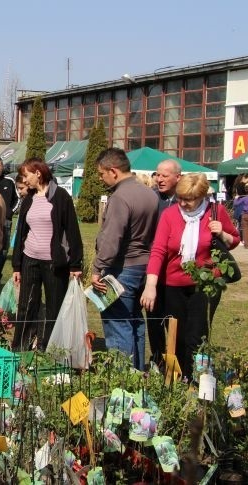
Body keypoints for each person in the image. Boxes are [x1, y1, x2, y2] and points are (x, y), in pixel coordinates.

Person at [141, 174, 240, 381]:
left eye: (189, 199)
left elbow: (233, 241)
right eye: (180, 198)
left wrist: (222, 233)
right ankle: (178, 378)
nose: (183, 204)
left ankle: (197, 380)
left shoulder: (216, 212)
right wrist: (151, 285)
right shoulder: (169, 215)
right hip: (173, 285)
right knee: (177, 335)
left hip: (205, 285)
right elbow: (158, 250)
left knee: (197, 335)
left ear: (202, 196)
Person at [92, 148, 159, 371]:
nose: (101, 179)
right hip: (144, 267)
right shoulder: (150, 193)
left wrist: (97, 268)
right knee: (135, 322)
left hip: (123, 267)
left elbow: (112, 238)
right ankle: (137, 371)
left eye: (102, 174)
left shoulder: (120, 197)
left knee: (118, 324)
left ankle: (123, 381)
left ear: (113, 171)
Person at [11, 159, 83, 352]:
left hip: (54, 262)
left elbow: (73, 231)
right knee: (26, 305)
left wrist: (75, 265)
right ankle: (21, 347)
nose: (25, 180)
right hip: (30, 259)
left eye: (27, 175)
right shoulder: (29, 199)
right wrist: (17, 265)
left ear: (38, 174)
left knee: (54, 307)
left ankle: (50, 348)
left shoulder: (61, 197)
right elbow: (21, 233)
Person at [148, 159, 182, 366]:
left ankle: (176, 362)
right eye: (157, 175)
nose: (159, 179)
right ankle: (157, 359)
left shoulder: (185, 200)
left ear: (178, 177)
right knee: (153, 317)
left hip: (175, 270)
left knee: (174, 320)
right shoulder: (152, 198)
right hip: (152, 268)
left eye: (165, 175)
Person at [0, 156, 20, 291]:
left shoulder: (9, 181)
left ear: (2, 166)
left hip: (6, 221)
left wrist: (10, 213)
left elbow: (18, 198)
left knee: (3, 250)